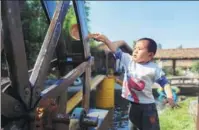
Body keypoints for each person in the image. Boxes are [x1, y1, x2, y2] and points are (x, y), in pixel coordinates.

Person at [89, 33, 175, 130]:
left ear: (150, 55)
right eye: (135, 48)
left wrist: (170, 97)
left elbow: (165, 83)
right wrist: (105, 40)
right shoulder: (128, 60)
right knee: (133, 127)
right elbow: (115, 49)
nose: (135, 51)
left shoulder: (154, 69)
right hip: (133, 105)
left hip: (148, 107)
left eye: (140, 49)